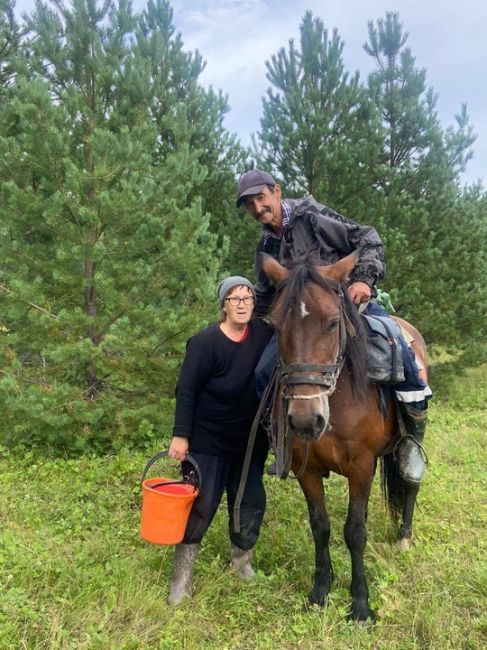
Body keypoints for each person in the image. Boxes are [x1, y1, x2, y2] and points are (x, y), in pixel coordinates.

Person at [236, 169, 432, 486]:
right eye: (250, 205)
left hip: (348, 304)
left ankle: (410, 441)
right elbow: (266, 294)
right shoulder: (266, 245)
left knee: (397, 346)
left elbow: (367, 238)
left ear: (276, 191)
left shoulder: (311, 215)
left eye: (261, 198)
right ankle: (283, 442)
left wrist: (364, 280)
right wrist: (238, 308)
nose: (258, 208)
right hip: (302, 323)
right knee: (262, 372)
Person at [166, 276, 273, 606]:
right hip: (208, 441)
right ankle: (181, 580)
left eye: (248, 298)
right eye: (234, 298)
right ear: (223, 305)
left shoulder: (265, 336)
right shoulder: (204, 343)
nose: (242, 304)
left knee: (249, 501)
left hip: (250, 442)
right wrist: (181, 436)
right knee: (201, 505)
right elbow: (186, 392)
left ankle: (242, 563)